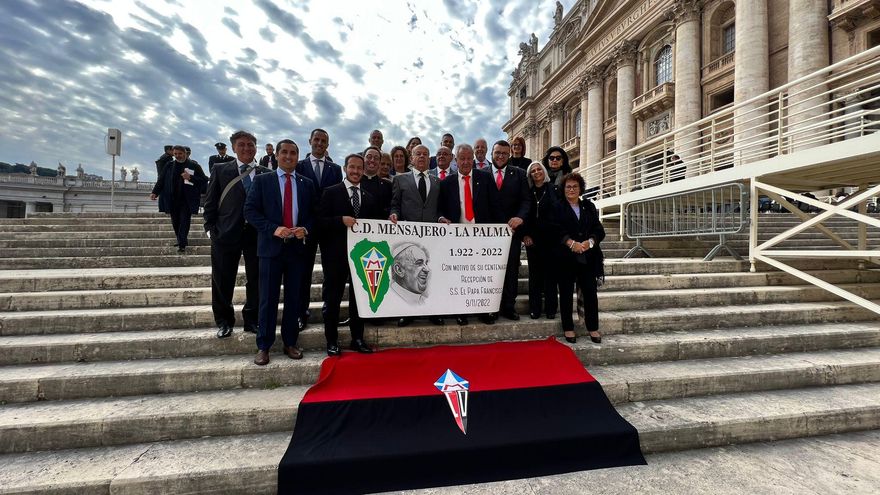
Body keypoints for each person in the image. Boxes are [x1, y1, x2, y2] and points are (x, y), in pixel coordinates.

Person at [244, 139, 317, 365]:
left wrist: (305, 228)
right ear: (276, 155)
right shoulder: (263, 181)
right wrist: (273, 229)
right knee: (268, 299)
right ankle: (264, 346)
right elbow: (250, 210)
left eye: (293, 153)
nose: (288, 156)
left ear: (298, 156)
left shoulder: (306, 183)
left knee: (294, 299)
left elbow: (315, 215)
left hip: (296, 251)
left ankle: (290, 342)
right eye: (284, 152)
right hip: (270, 249)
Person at [203, 130, 267, 339]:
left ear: (256, 147)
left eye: (250, 145)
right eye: (242, 145)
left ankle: (252, 319)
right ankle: (224, 321)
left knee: (256, 279)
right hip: (226, 233)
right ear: (233, 148)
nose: (247, 148)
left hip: (256, 234)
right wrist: (210, 228)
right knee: (222, 278)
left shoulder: (265, 172)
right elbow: (210, 200)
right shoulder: (221, 170)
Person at [318, 154, 378, 356]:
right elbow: (319, 222)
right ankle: (332, 340)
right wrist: (339, 220)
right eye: (352, 167)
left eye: (359, 168)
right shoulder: (331, 192)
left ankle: (357, 339)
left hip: (361, 258)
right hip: (335, 257)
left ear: (363, 170)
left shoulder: (369, 198)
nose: (355, 171)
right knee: (332, 299)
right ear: (345, 168)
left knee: (359, 300)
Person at [438, 143, 500, 325]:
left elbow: (495, 205)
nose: (465, 162)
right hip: (457, 238)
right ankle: (460, 312)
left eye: (468, 158)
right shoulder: (446, 183)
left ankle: (484, 310)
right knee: (459, 278)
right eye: (461, 158)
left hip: (482, 236)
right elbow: (440, 208)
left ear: (473, 159)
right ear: (455, 161)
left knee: (481, 276)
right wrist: (441, 217)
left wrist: (502, 229)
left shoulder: (485, 178)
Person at [389, 144, 441, 326]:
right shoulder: (400, 179)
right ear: (411, 158)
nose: (422, 157)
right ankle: (407, 313)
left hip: (431, 238)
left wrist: (441, 217)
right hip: (409, 238)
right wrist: (394, 214)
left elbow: (438, 208)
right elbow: (395, 204)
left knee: (431, 275)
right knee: (409, 278)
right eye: (418, 154)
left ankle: (434, 312)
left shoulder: (436, 181)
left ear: (429, 159)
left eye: (425, 154)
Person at [296, 129, 343, 330]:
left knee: (330, 273)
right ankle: (301, 312)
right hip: (305, 226)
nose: (320, 143)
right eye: (316, 139)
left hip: (328, 228)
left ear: (327, 144)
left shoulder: (335, 169)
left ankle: (328, 310)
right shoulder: (299, 166)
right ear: (310, 141)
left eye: (324, 141)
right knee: (303, 272)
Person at [557, 172, 605, 344]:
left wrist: (590, 242)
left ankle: (593, 327)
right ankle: (568, 328)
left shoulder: (589, 206)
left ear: (580, 189)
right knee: (566, 294)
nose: (571, 189)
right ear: (563, 189)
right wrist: (570, 243)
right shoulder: (558, 206)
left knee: (590, 293)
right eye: (568, 186)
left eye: (575, 186)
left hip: (588, 257)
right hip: (565, 257)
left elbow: (599, 230)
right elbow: (554, 230)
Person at [490, 140, 530, 321]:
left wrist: (520, 217)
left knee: (511, 270)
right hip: (487, 235)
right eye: (497, 152)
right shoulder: (481, 174)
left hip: (511, 233)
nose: (500, 156)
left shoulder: (520, 174)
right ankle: (490, 307)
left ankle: (508, 306)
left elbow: (526, 201)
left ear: (509, 155)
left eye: (504, 153)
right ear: (492, 153)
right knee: (489, 271)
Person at [150, 145, 207, 253]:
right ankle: (180, 239)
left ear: (185, 153)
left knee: (185, 221)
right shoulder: (169, 165)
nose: (177, 156)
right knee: (175, 222)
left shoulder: (194, 165)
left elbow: (204, 180)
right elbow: (161, 180)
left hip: (187, 199)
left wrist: (190, 177)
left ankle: (182, 244)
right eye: (175, 154)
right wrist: (155, 192)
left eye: (180, 154)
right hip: (172, 198)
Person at [523, 161, 562, 320]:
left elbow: (560, 213)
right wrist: (525, 235)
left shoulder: (554, 189)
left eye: (539, 169)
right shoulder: (527, 191)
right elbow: (524, 215)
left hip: (551, 240)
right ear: (530, 175)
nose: (537, 172)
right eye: (533, 171)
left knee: (551, 275)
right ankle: (535, 309)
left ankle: (551, 309)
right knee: (535, 276)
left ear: (544, 172)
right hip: (533, 240)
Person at [362, 146, 393, 218]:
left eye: (376, 158)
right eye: (369, 157)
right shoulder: (354, 183)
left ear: (379, 162)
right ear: (363, 159)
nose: (372, 160)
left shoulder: (388, 185)